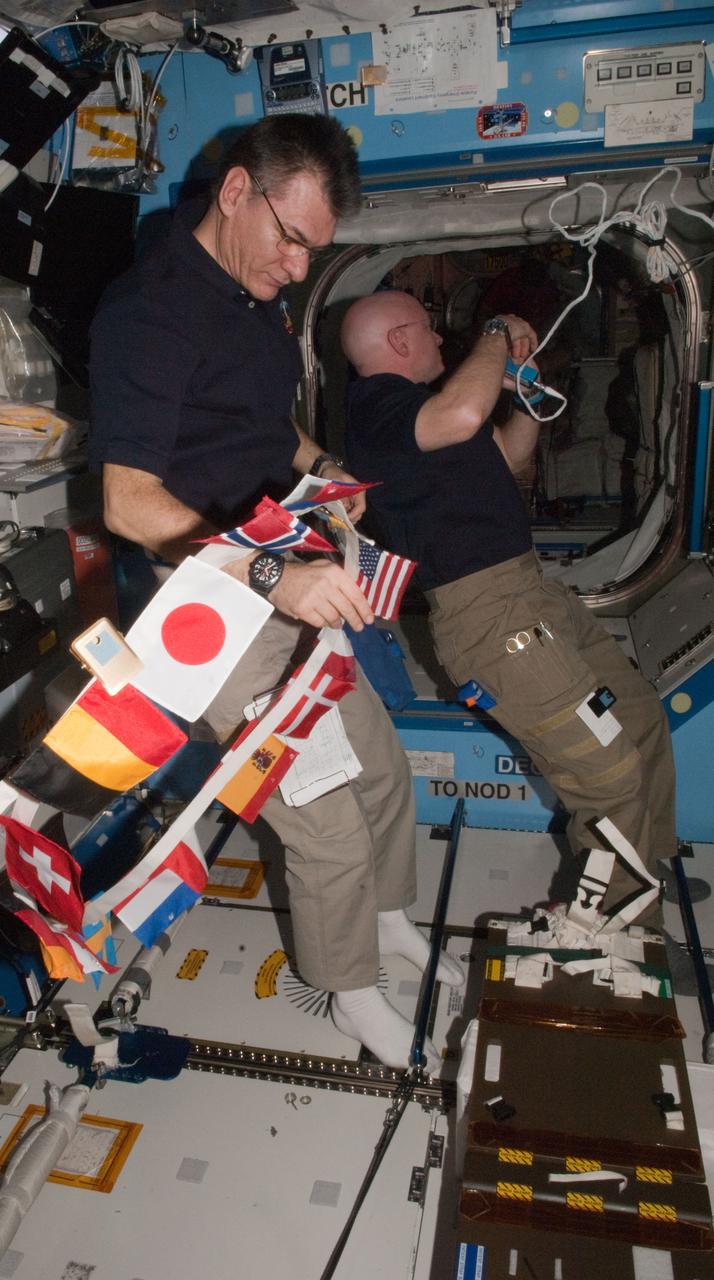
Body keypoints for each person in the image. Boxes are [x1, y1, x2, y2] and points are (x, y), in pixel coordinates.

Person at [87, 116, 463, 1071]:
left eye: (314, 251)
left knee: (381, 769)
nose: (298, 268)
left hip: (281, 571)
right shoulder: (149, 312)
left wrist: (325, 465)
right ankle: (350, 996)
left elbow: (263, 423)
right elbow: (127, 503)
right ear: (236, 193)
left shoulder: (253, 298)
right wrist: (276, 576)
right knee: (325, 812)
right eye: (290, 240)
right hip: (209, 611)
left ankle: (384, 925)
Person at [340, 290, 676, 932]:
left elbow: (507, 454)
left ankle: (644, 875)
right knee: (607, 775)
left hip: (533, 595)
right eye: (432, 330)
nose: (442, 340)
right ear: (401, 342)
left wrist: (526, 393)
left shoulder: (422, 414)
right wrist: (494, 330)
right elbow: (464, 413)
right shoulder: (376, 410)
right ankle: (610, 925)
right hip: (493, 618)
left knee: (637, 720)